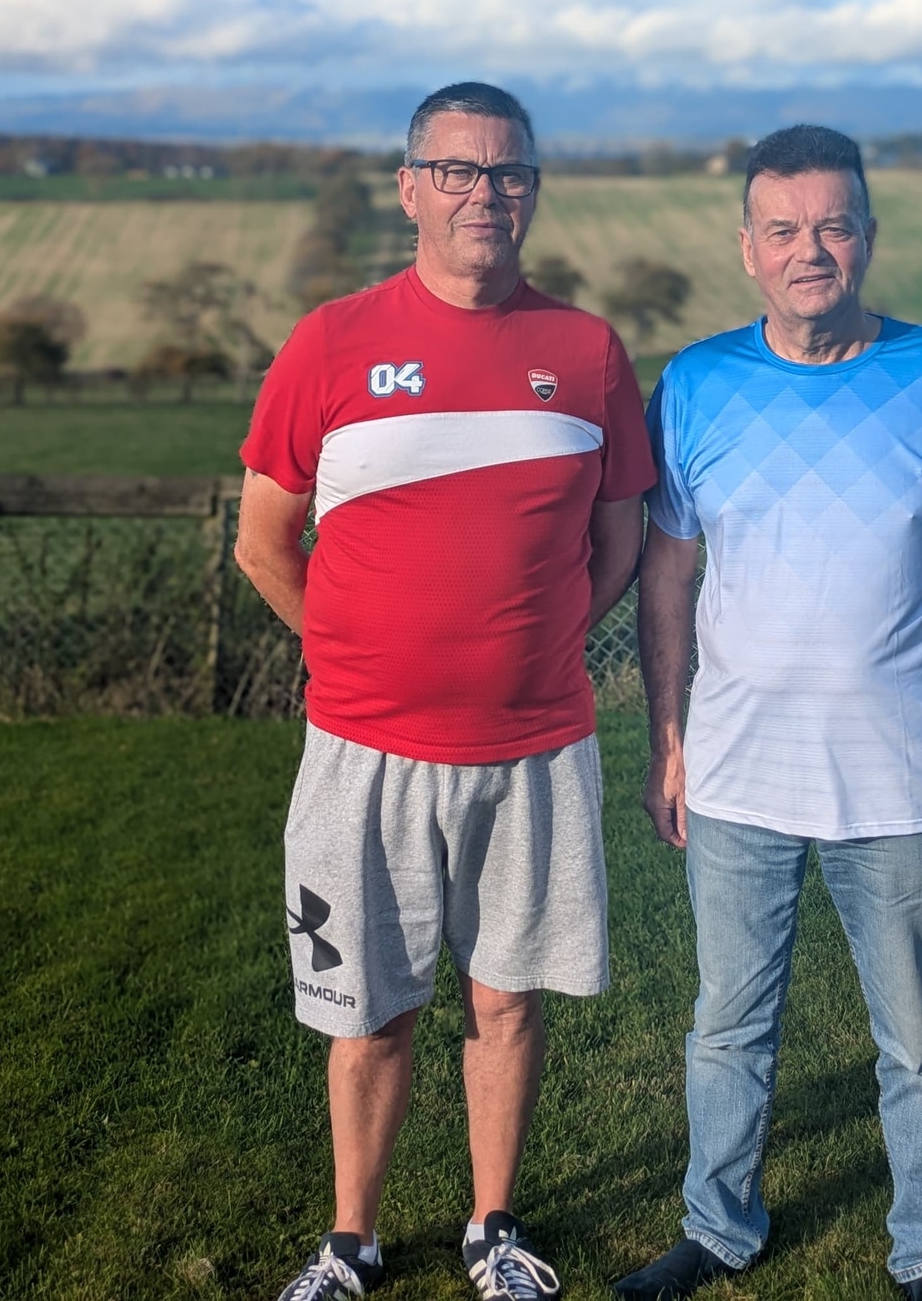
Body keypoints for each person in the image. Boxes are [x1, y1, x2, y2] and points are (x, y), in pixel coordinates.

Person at [614, 125, 922, 1301]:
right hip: (739, 775)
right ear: (748, 248)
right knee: (725, 1029)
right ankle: (717, 1227)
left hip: (902, 776)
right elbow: (667, 570)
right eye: (786, 228)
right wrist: (668, 737)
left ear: (867, 235)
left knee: (919, 1041)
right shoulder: (697, 384)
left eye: (836, 224)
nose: (813, 249)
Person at [235, 81, 654, 1301]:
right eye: (459, 170)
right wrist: (350, 652)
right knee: (367, 1010)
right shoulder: (331, 341)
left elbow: (620, 543)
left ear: (534, 187)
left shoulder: (587, 351)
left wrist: (540, 640)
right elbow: (266, 539)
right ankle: (351, 1237)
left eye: (509, 170)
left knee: (508, 999)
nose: (487, 192)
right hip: (361, 748)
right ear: (410, 185)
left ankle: (492, 1227)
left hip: (534, 746)